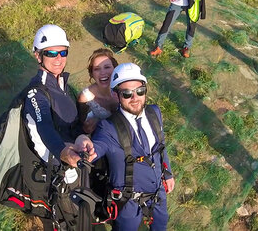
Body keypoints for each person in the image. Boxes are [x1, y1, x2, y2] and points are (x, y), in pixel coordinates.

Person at [76, 63, 175, 231]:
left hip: (158, 192)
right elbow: (98, 146)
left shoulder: (154, 113)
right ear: (116, 96)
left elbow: (161, 146)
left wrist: (168, 173)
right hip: (127, 200)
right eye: (127, 94)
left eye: (140, 91)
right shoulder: (108, 127)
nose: (135, 98)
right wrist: (86, 144)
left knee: (161, 225)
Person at [23, 24, 88, 230]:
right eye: (51, 53)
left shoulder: (61, 83)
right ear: (37, 55)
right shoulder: (37, 92)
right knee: (72, 217)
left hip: (73, 155)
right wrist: (63, 152)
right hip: (57, 164)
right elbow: (45, 129)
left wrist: (81, 137)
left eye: (63, 52)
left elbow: (71, 122)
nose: (58, 58)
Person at [77, 48, 119, 134]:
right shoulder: (85, 97)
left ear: (115, 69)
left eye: (107, 67)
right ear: (92, 73)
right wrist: (87, 126)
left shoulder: (122, 89)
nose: (102, 73)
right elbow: (80, 123)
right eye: (97, 69)